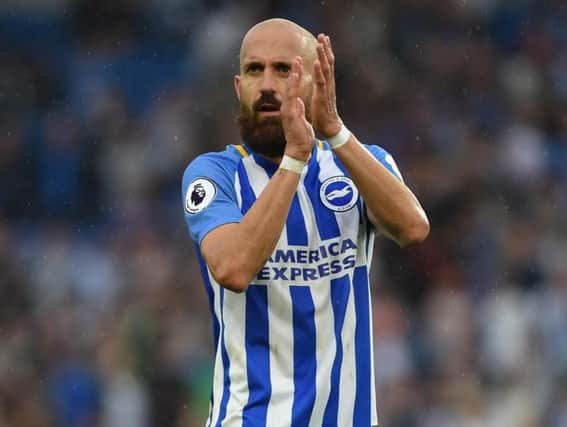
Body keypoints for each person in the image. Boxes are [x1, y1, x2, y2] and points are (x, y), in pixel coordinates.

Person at [181, 18, 429, 427]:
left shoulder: (360, 166)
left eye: (283, 69)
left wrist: (332, 131)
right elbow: (233, 268)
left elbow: (414, 228)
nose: (266, 84)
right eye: (254, 69)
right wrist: (295, 159)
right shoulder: (213, 175)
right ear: (237, 86)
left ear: (316, 80)